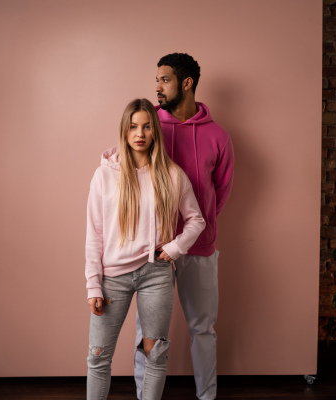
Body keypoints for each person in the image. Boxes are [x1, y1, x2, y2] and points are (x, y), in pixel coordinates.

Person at [86, 98, 206, 400]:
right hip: (112, 278)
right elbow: (95, 234)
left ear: (155, 132)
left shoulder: (172, 174)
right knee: (98, 357)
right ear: (124, 131)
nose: (139, 133)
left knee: (155, 356)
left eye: (147, 126)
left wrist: (176, 247)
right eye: (133, 126)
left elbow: (196, 219)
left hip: (157, 274)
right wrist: (93, 285)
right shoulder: (104, 176)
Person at [134, 53, 234, 400]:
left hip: (199, 248)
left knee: (202, 329)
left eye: (164, 79)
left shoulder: (218, 136)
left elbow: (220, 190)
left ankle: (207, 397)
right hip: (152, 250)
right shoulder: (148, 129)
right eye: (157, 79)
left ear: (186, 83)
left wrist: (198, 229)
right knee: (146, 334)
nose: (157, 86)